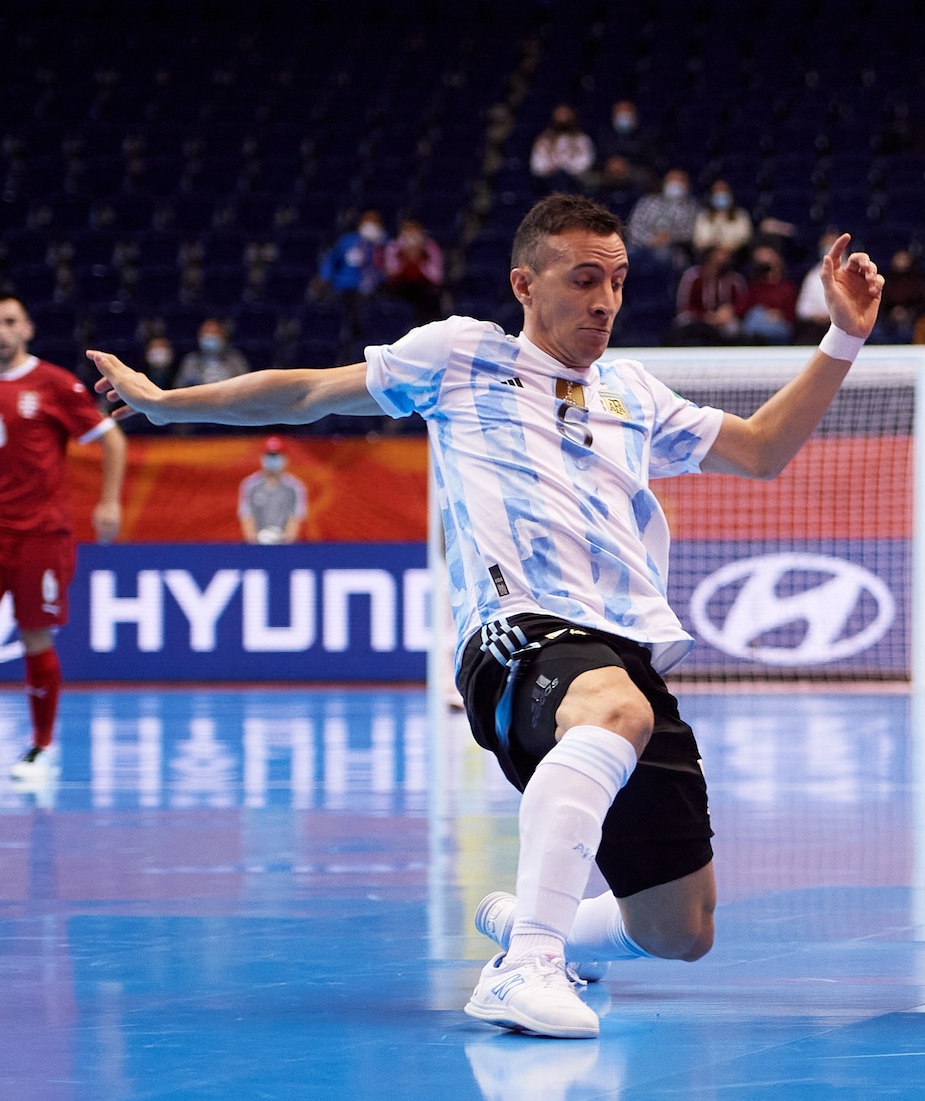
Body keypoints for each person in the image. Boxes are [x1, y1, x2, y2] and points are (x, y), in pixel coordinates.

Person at [86, 194, 884, 1040]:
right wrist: (172, 405)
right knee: (617, 710)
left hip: (625, 649)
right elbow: (312, 391)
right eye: (583, 280)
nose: (606, 300)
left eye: (616, 280)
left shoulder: (632, 392)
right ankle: (524, 964)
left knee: (680, 929)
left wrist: (844, 338)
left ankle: (534, 923)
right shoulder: (461, 355)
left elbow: (761, 449)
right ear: (525, 284)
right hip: (517, 627)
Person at [0, 295, 127, 782]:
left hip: (41, 532)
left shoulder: (54, 384)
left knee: (35, 636)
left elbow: (112, 438)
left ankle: (41, 747)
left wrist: (109, 501)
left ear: (27, 329)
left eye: (10, 322)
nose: (1, 330)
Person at [319, 210, 386, 323]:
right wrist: (324, 277)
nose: (370, 226)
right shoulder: (348, 240)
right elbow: (331, 260)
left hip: (372, 289)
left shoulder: (383, 243)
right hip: (344, 286)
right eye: (367, 221)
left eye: (374, 222)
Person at [239, 436, 308, 544]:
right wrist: (255, 543)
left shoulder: (294, 487)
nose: (272, 461)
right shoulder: (250, 485)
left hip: (283, 544)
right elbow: (247, 517)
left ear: (285, 459)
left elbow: (295, 519)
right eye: (269, 456)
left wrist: (283, 543)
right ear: (262, 458)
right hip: (257, 545)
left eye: (276, 456)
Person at [674, 246, 746, 343]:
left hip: (722, 320)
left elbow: (742, 303)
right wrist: (703, 316)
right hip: (696, 317)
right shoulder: (692, 276)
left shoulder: (735, 279)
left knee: (734, 327)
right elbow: (683, 305)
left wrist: (730, 312)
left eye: (726, 256)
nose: (722, 259)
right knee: (683, 319)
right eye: (719, 255)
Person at [626, 170, 699, 264]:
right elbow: (633, 227)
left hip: (674, 248)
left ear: (687, 185)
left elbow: (692, 231)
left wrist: (669, 238)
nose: (675, 184)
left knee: (663, 256)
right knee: (628, 254)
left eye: (679, 181)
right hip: (642, 245)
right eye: (671, 180)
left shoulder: (692, 207)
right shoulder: (647, 202)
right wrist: (650, 239)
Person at [382, 219, 447, 323]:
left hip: (424, 290)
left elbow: (437, 277)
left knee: (432, 297)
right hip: (400, 288)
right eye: (406, 235)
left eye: (414, 234)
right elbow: (390, 272)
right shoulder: (394, 247)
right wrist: (405, 257)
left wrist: (420, 260)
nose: (411, 239)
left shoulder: (431, 247)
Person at [737, 246, 797, 343]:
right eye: (766, 267)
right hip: (756, 324)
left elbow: (793, 314)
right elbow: (743, 309)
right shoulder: (755, 287)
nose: (770, 271)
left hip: (780, 324)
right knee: (756, 314)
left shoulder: (787, 288)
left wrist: (779, 314)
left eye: (773, 266)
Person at [531, 104, 595, 192]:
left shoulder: (582, 139)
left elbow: (585, 163)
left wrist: (566, 167)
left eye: (565, 114)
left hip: (574, 182)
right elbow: (537, 165)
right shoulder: (544, 139)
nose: (562, 118)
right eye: (559, 115)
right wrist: (551, 168)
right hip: (548, 182)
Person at [174, 319, 251, 388]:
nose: (210, 336)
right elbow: (180, 387)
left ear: (223, 337)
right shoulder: (191, 360)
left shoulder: (235, 359)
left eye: (214, 333)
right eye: (206, 333)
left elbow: (246, 386)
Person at [793, 233, 839, 345]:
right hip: (817, 326)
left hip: (843, 326)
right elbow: (802, 310)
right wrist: (821, 317)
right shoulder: (813, 276)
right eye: (826, 247)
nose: (829, 250)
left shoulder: (852, 273)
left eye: (833, 246)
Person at [692, 181, 752, 254]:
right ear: (711, 195)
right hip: (708, 253)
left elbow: (744, 238)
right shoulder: (703, 216)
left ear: (730, 194)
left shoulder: (740, 215)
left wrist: (726, 247)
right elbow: (698, 241)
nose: (720, 194)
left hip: (735, 253)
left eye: (723, 191)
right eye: (717, 192)